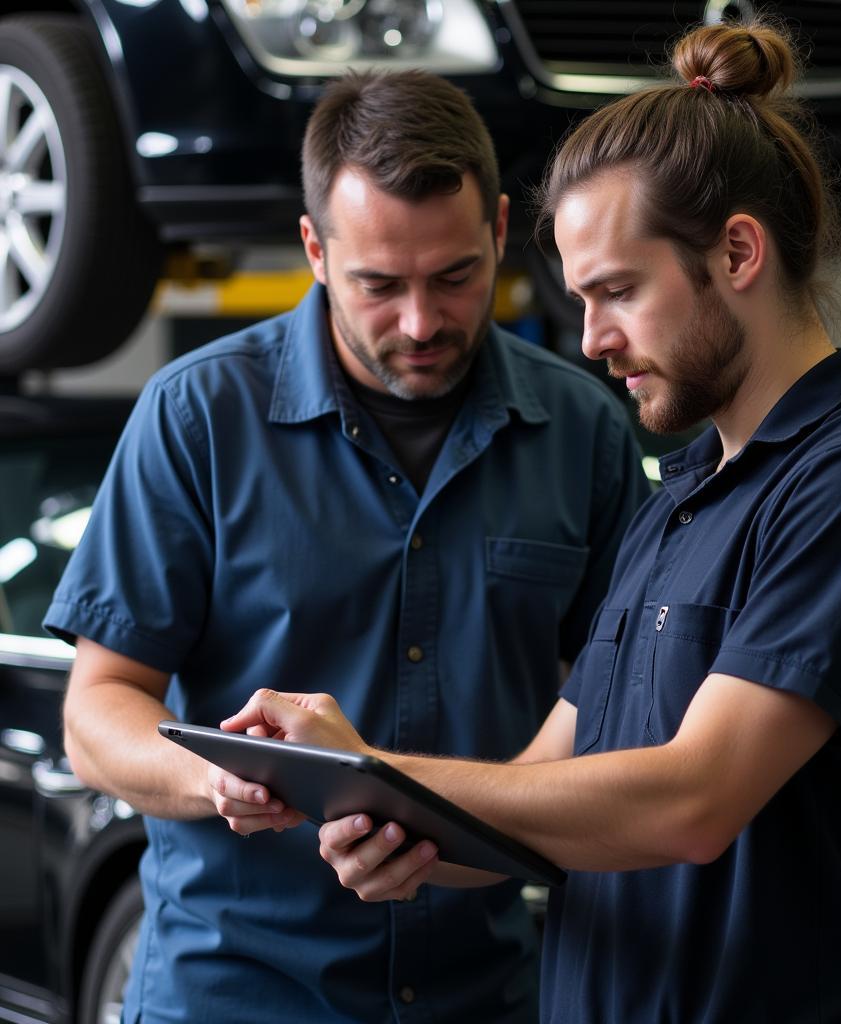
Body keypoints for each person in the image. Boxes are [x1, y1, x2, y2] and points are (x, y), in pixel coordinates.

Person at [213, 21, 841, 1024]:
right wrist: (391, 820)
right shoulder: (678, 500)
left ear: (737, 252)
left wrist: (382, 768)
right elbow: (542, 787)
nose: (590, 339)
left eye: (617, 291)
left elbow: (691, 800)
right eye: (581, 299)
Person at [45, 71, 649, 1024]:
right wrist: (218, 778)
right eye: (379, 284)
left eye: (454, 277)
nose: (420, 323)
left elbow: (614, 712)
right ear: (315, 250)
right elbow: (96, 715)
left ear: (498, 229)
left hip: (485, 994)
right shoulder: (197, 418)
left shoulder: (584, 431)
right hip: (238, 995)